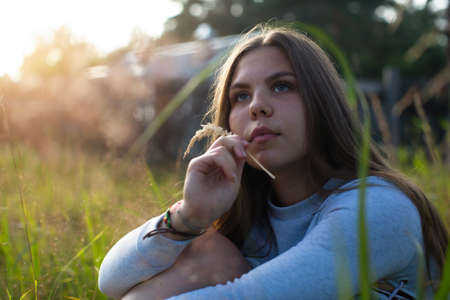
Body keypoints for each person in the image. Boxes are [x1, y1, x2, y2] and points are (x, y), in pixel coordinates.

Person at [98, 24, 448, 299]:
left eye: (282, 86)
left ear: (322, 103)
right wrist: (189, 216)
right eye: (241, 96)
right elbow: (111, 280)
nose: (257, 107)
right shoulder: (248, 220)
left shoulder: (377, 207)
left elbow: (247, 297)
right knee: (207, 250)